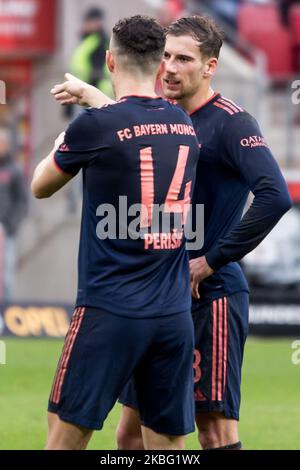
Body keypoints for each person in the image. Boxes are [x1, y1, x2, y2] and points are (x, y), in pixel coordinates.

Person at [51, 15, 292, 451]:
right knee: (129, 435)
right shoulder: (164, 117)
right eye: (164, 56)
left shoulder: (232, 123)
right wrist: (94, 97)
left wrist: (210, 260)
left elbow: (275, 196)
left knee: (215, 430)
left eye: (184, 58)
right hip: (162, 300)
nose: (170, 68)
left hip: (210, 295)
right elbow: (121, 125)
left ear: (210, 68)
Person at [31, 15, 200, 451]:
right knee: (166, 448)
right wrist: (95, 101)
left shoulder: (94, 127)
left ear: (108, 60)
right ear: (161, 67)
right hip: (173, 315)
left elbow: (40, 185)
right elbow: (135, 127)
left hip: (110, 311)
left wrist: (65, 138)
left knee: (64, 435)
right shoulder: (183, 126)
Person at [0, 126, 28, 302]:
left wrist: (10, 226)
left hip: (5, 234)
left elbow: (22, 202)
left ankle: (5, 315)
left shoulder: (14, 170)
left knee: (5, 277)